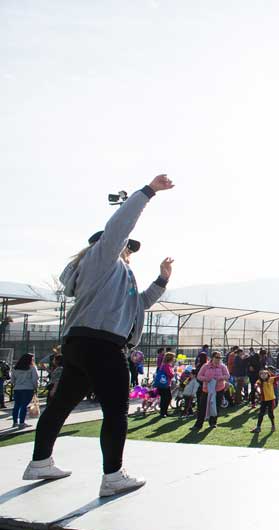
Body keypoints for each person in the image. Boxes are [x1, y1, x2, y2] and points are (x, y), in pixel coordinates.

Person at [23, 174, 175, 497]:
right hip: (102, 344)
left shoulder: (117, 278)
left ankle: (39, 461)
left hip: (79, 344)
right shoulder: (104, 257)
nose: (129, 252)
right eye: (128, 247)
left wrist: (161, 280)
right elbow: (121, 224)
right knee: (116, 411)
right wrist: (148, 191)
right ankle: (113, 475)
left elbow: (140, 304)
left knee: (61, 403)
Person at [193, 351, 230, 429]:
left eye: (220, 357)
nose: (218, 359)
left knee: (215, 407)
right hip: (206, 390)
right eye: (217, 357)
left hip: (219, 390)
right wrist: (206, 379)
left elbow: (227, 376)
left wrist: (220, 378)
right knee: (202, 407)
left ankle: (213, 423)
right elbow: (199, 376)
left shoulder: (222, 366)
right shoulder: (205, 366)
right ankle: (198, 424)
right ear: (212, 357)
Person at [252, 368, 279, 433]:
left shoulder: (271, 379)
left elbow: (278, 377)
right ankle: (258, 427)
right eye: (262, 374)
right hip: (263, 400)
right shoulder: (259, 381)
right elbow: (257, 385)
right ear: (260, 375)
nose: (263, 375)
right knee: (261, 414)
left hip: (271, 400)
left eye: (265, 374)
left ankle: (273, 425)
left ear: (268, 374)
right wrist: (257, 389)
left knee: (270, 414)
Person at [11, 353, 38, 429]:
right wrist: (35, 388)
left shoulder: (15, 368)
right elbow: (34, 379)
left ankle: (15, 422)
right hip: (28, 388)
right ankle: (22, 423)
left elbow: (12, 380)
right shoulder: (32, 367)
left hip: (17, 388)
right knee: (24, 405)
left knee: (17, 405)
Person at [155, 351, 176, 416]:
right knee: (167, 398)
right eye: (173, 358)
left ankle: (163, 412)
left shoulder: (163, 365)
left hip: (161, 384)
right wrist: (174, 372)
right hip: (165, 385)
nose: (174, 359)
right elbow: (170, 374)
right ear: (171, 359)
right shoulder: (167, 365)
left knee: (164, 398)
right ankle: (163, 412)